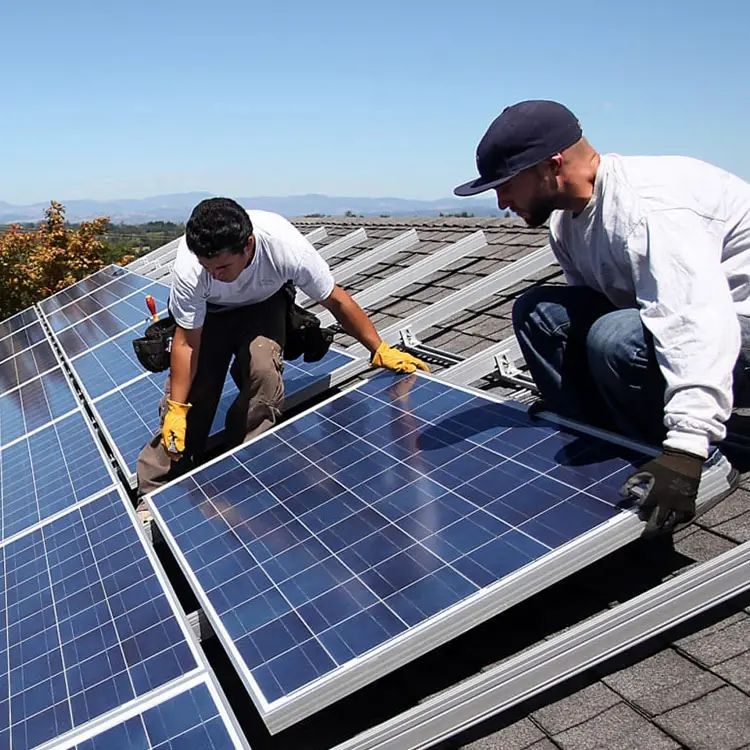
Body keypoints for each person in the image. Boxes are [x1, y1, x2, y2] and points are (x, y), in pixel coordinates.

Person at [454, 99, 750, 534]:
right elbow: (585, 317)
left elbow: (696, 322)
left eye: (508, 185)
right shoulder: (566, 223)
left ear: (551, 166)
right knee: (539, 312)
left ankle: (702, 462)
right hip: (682, 325)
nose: (501, 202)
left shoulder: (651, 207)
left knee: (616, 337)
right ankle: (603, 441)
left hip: (730, 328)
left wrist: (687, 447)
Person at [137, 197, 427, 495]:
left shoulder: (285, 248)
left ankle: (247, 461)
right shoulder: (190, 268)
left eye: (222, 266)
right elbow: (187, 344)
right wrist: (177, 408)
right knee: (196, 390)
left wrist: (378, 348)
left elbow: (336, 300)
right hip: (209, 314)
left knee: (263, 374)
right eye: (206, 267)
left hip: (264, 306)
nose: (214, 275)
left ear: (248, 245)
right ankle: (155, 487)